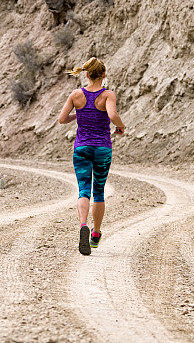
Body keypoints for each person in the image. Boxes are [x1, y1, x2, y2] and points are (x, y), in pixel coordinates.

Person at [57, 57, 125, 255]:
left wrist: (80, 113)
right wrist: (120, 126)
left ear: (86, 74)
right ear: (104, 75)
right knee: (99, 192)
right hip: (102, 148)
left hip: (82, 149)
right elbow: (112, 115)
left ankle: (82, 225)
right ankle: (95, 233)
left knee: (83, 190)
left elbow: (62, 119)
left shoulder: (76, 95)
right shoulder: (108, 95)